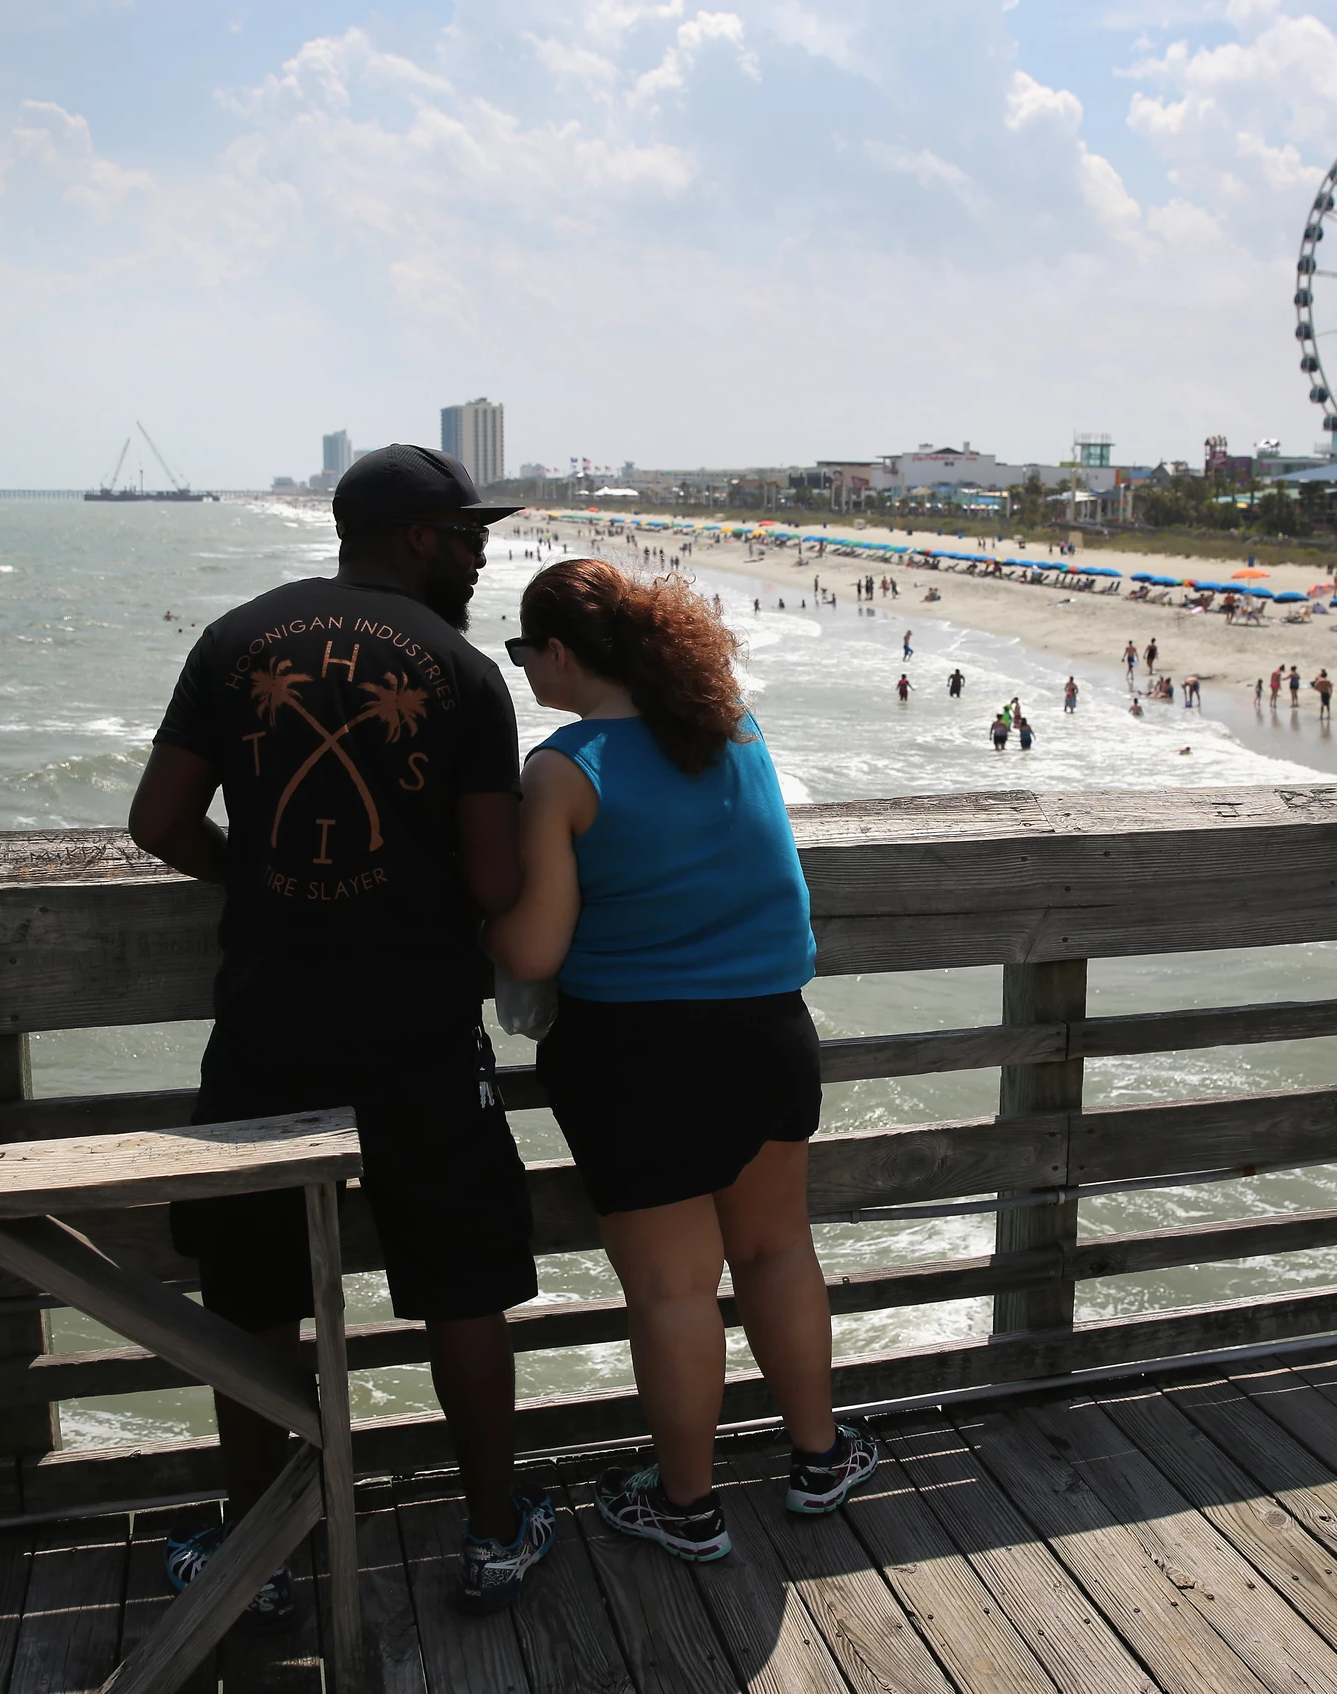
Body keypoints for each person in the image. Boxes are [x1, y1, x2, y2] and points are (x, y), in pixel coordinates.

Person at [128, 444, 554, 1622]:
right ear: (416, 537)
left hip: (269, 1020)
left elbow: (157, 819)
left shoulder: (234, 640)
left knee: (255, 1287)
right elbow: (491, 871)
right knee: (462, 1288)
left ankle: (257, 1554)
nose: (478, 551)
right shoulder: (464, 672)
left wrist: (257, 881)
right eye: (466, 533)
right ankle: (492, 1529)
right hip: (419, 1026)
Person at [488, 559, 876, 1564]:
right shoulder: (732, 728)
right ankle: (821, 1456)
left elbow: (531, 952)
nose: (524, 667)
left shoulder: (565, 768)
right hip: (768, 1030)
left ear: (561, 655)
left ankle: (687, 1504)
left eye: (523, 650)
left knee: (670, 1287)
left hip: (637, 1051)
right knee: (777, 1249)